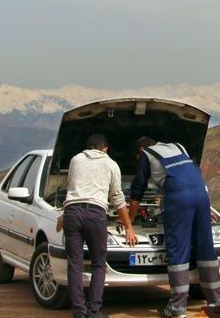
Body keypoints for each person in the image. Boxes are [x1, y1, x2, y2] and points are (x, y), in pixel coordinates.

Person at [129, 137, 220, 318]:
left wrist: (129, 220)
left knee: (179, 250)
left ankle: (177, 308)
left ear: (140, 150)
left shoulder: (146, 154)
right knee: (206, 247)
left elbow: (137, 189)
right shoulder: (179, 146)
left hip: (179, 199)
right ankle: (216, 301)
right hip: (202, 195)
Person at [60, 134, 137, 318]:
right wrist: (128, 226)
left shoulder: (75, 159)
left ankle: (78, 312)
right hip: (95, 214)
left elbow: (72, 187)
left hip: (71, 212)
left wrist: (63, 215)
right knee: (98, 263)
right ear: (105, 149)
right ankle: (94, 311)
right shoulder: (111, 164)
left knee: (75, 264)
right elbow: (117, 198)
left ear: (88, 147)